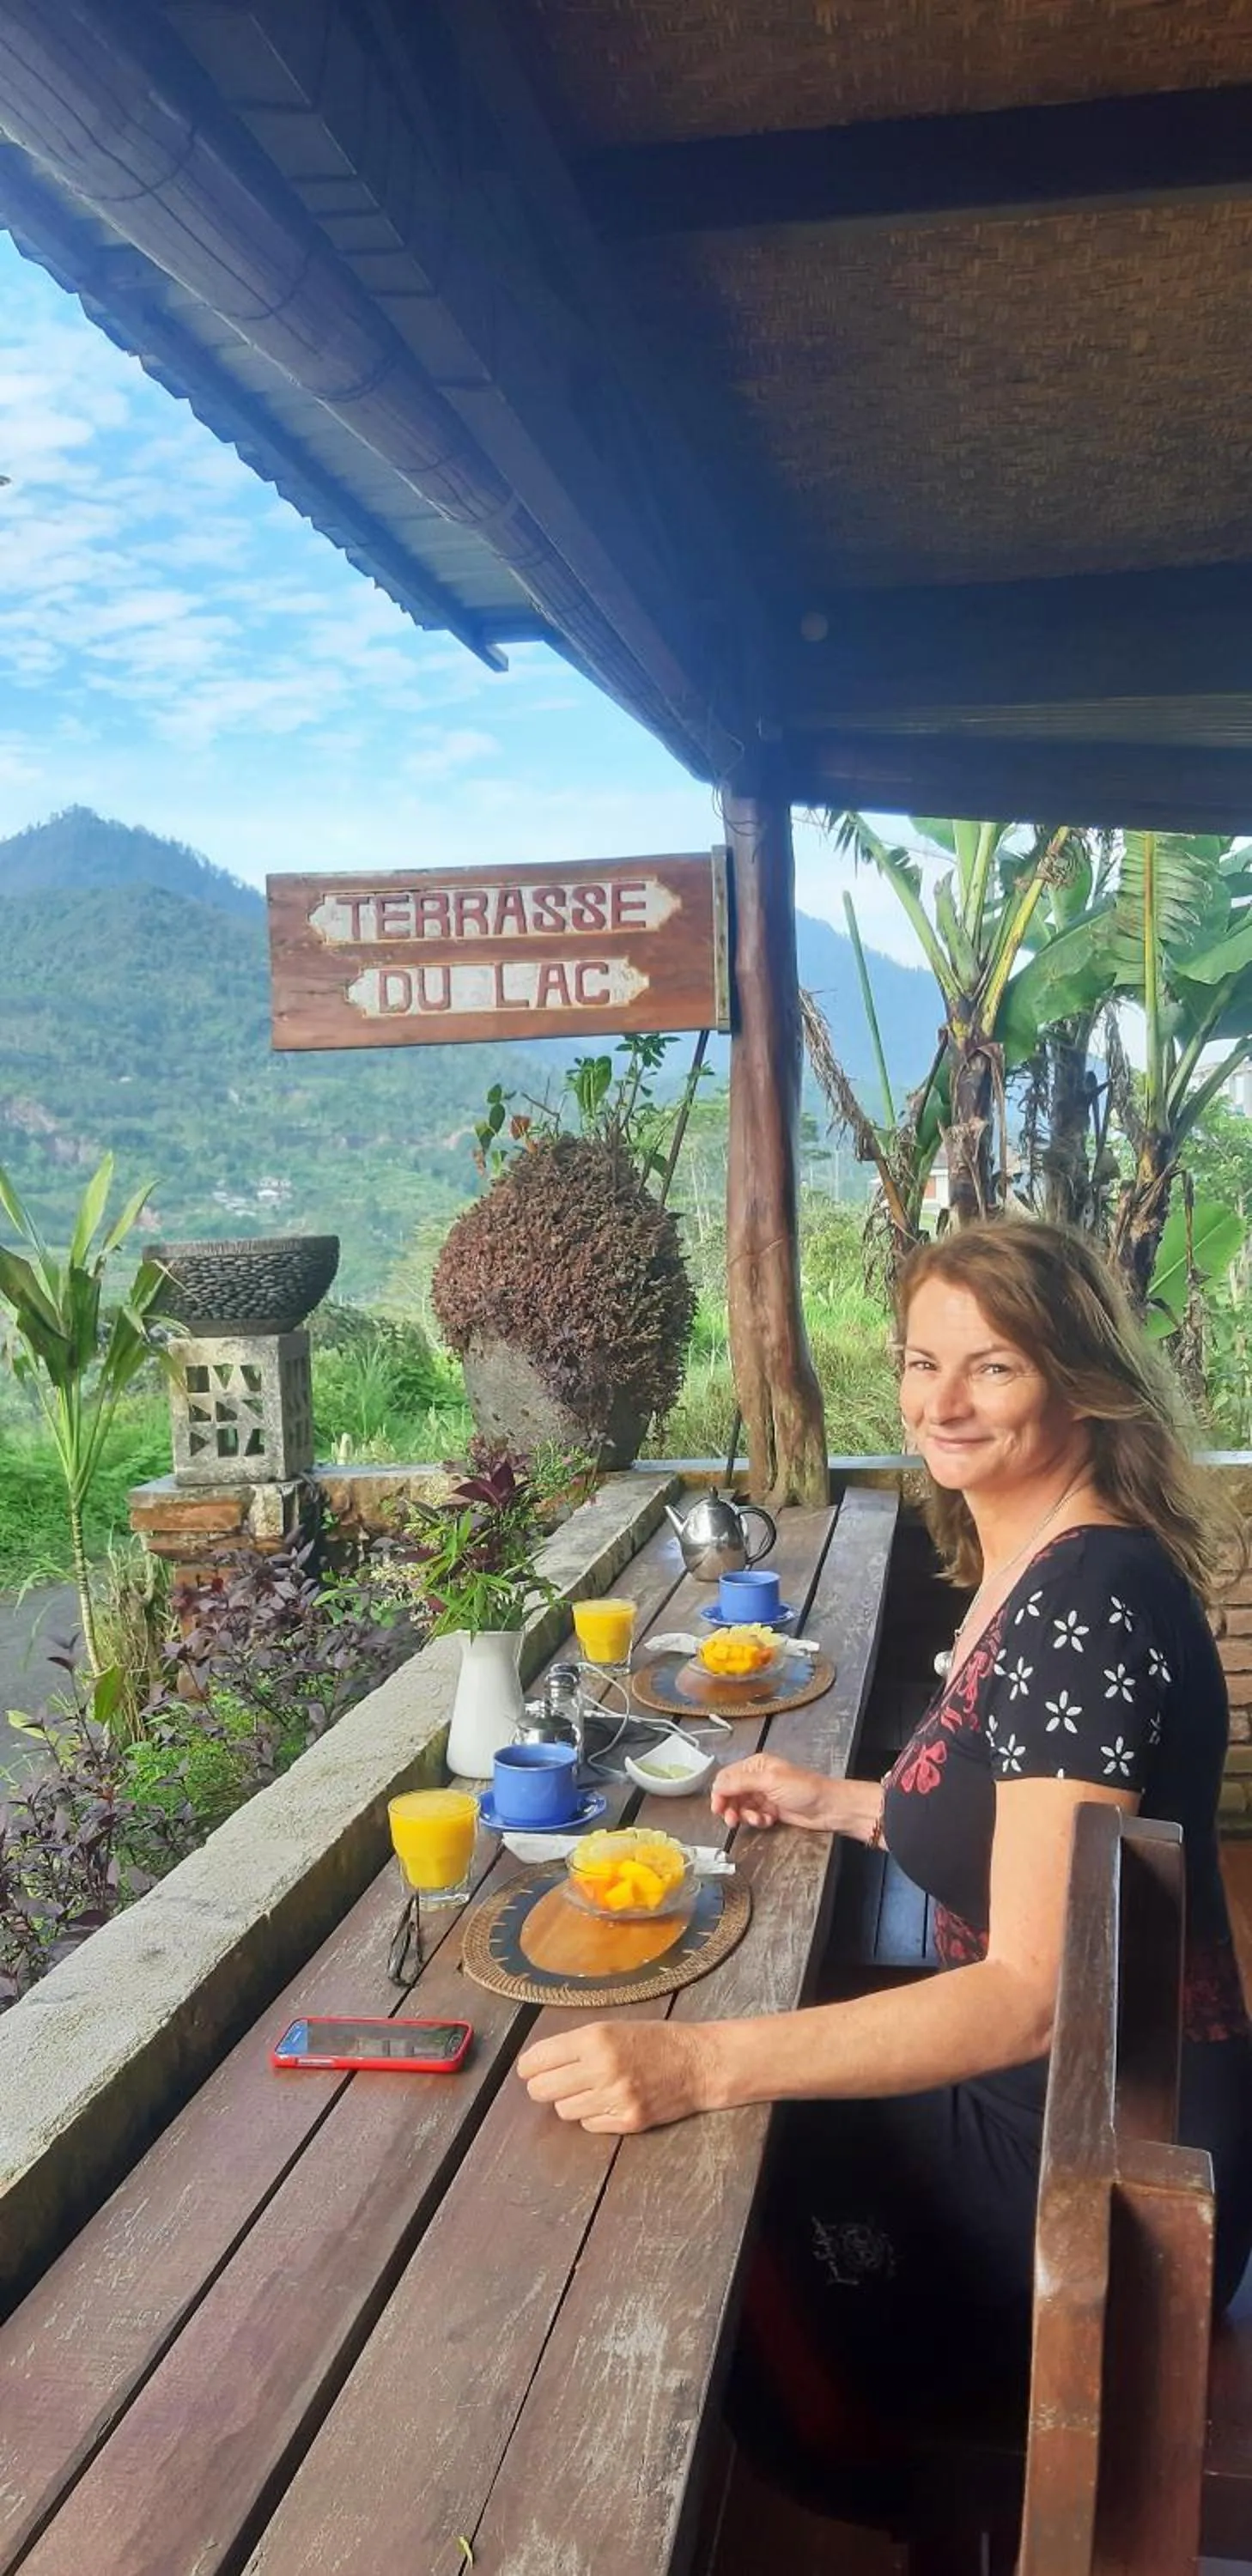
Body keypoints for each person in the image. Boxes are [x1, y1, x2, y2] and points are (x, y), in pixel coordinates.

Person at [517, 1218, 1252, 2460]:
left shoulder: (1084, 1604)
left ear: (1079, 1379)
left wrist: (699, 2070)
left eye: (993, 1366)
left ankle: (841, 2482)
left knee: (691, 2182)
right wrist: (846, 1807)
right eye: (921, 1361)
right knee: (711, 2116)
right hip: (1090, 2099)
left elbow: (1028, 1995)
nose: (941, 1403)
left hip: (1094, 2172)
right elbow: (1031, 1833)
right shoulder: (1035, 1555)